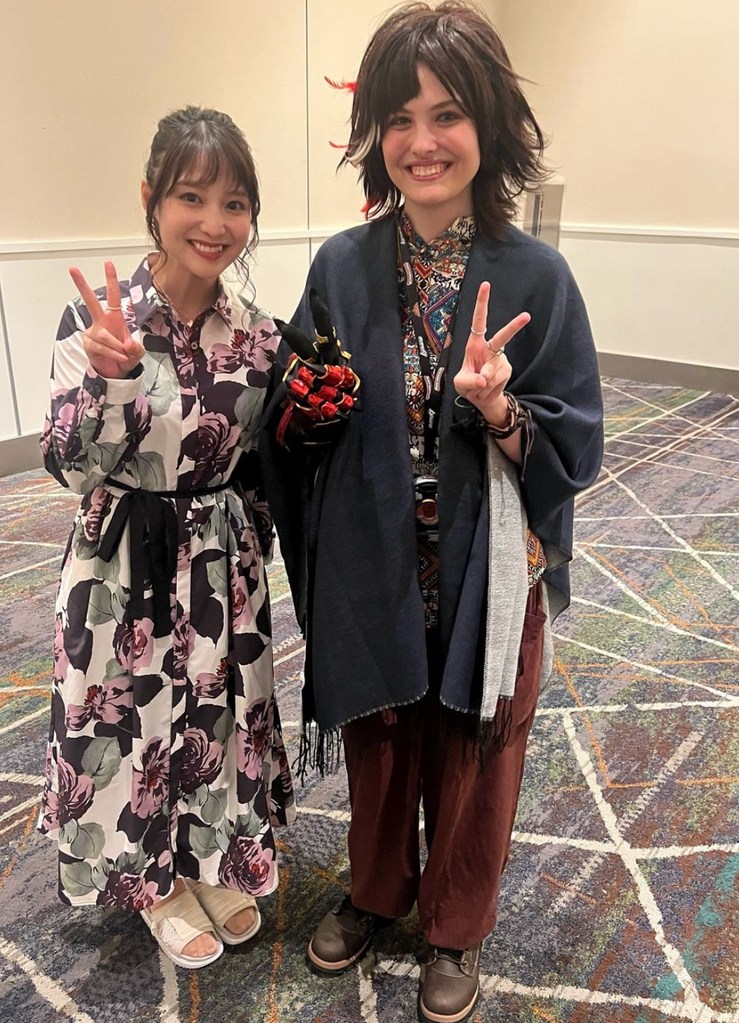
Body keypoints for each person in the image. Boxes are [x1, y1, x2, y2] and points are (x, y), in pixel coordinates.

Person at [261, 3, 604, 1021]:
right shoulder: (340, 264)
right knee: (379, 736)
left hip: (487, 562)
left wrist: (501, 411)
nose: (421, 142)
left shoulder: (537, 272)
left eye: (447, 114)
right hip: (371, 553)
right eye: (399, 118)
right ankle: (375, 893)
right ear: (374, 131)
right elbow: (293, 414)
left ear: (487, 126)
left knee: (473, 746)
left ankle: (455, 924)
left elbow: (574, 443)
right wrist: (305, 408)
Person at [38, 106, 295, 970]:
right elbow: (67, 466)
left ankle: (212, 854)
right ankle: (151, 883)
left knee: (215, 714)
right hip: (121, 562)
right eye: (193, 197)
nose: (215, 223)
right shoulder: (96, 325)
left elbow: (258, 462)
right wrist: (110, 382)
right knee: (130, 714)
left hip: (222, 563)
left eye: (235, 203)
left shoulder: (258, 337)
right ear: (151, 199)